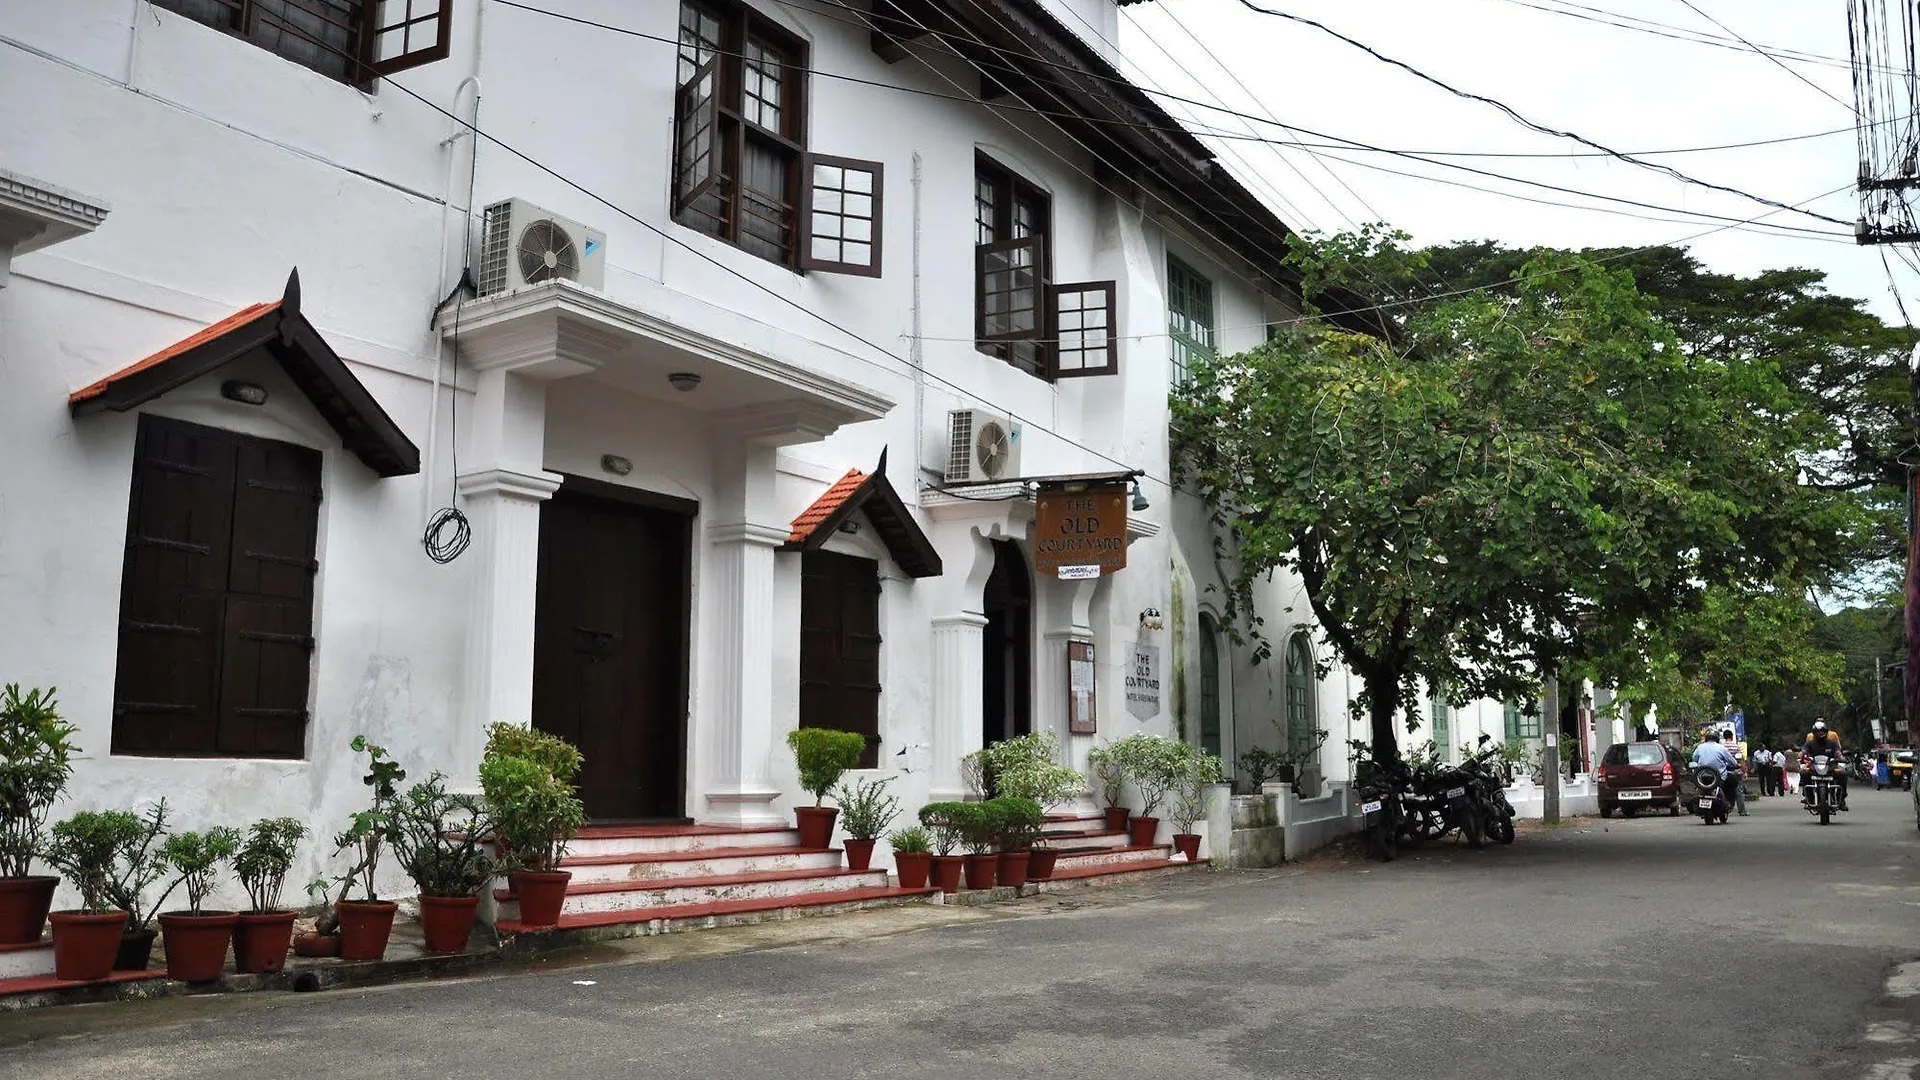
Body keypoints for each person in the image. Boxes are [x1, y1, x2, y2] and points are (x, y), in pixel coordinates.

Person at [1691, 731, 1744, 814]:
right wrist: (1736, 764)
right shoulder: (1721, 748)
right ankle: (1729, 801)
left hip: (1701, 777)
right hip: (1719, 777)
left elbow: (1694, 759)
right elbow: (1732, 761)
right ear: (1717, 738)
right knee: (1733, 780)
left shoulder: (1699, 747)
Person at [1801, 719, 1848, 810]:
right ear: (1814, 733)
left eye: (1822, 731)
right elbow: (1803, 752)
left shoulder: (1832, 743)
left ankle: (1840, 799)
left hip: (1830, 767)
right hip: (1814, 767)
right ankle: (1809, 797)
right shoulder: (1810, 743)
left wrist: (1842, 758)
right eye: (1818, 732)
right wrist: (1800, 757)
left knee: (1843, 774)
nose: (1820, 734)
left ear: (1826, 732)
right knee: (1804, 773)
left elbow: (1838, 752)